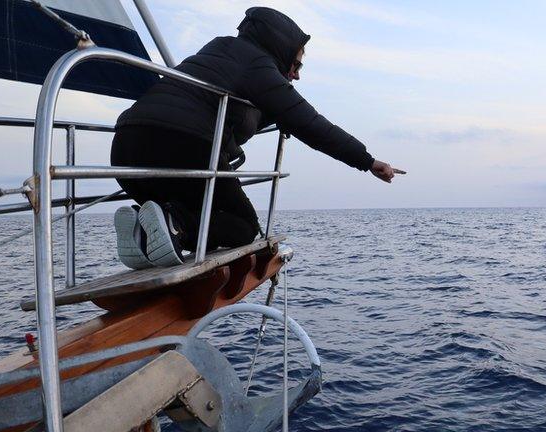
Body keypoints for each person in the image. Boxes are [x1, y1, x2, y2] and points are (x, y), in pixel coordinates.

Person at [111, 6, 403, 268]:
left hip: (125, 148)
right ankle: (173, 224)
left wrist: (272, 115)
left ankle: (145, 232)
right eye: (297, 64)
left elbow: (231, 104)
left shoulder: (218, 50)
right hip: (182, 143)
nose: (297, 75)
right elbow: (312, 125)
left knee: (185, 209)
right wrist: (367, 161)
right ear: (281, 49)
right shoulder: (258, 65)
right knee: (243, 227)